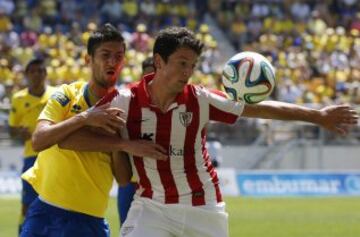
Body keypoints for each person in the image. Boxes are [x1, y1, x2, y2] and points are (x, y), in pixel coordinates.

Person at [60, 27, 358, 237]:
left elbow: (261, 109)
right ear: (160, 62)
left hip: (204, 208)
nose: (188, 72)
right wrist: (124, 145)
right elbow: (68, 138)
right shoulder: (125, 100)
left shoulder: (201, 99)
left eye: (192, 65)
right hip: (152, 206)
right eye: (181, 63)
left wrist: (318, 116)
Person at [20, 24, 167, 237]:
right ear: (88, 59)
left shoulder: (126, 106)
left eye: (118, 56)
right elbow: (40, 139)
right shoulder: (67, 94)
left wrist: (120, 142)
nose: (112, 62)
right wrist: (85, 118)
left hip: (90, 221)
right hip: (46, 213)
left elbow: (123, 179)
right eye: (105, 55)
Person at [8, 58, 56, 234]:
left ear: (45, 74)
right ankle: (24, 231)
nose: (36, 74)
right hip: (31, 156)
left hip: (55, 156)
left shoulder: (56, 95)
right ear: (27, 75)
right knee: (27, 202)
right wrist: (18, 133)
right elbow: (12, 129)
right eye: (32, 71)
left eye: (40, 71)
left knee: (56, 200)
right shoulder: (18, 98)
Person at [117, 56, 155, 225]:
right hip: (130, 181)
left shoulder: (172, 101)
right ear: (141, 76)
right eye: (147, 76)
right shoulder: (126, 98)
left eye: (155, 76)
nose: (151, 81)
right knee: (126, 228)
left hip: (158, 183)